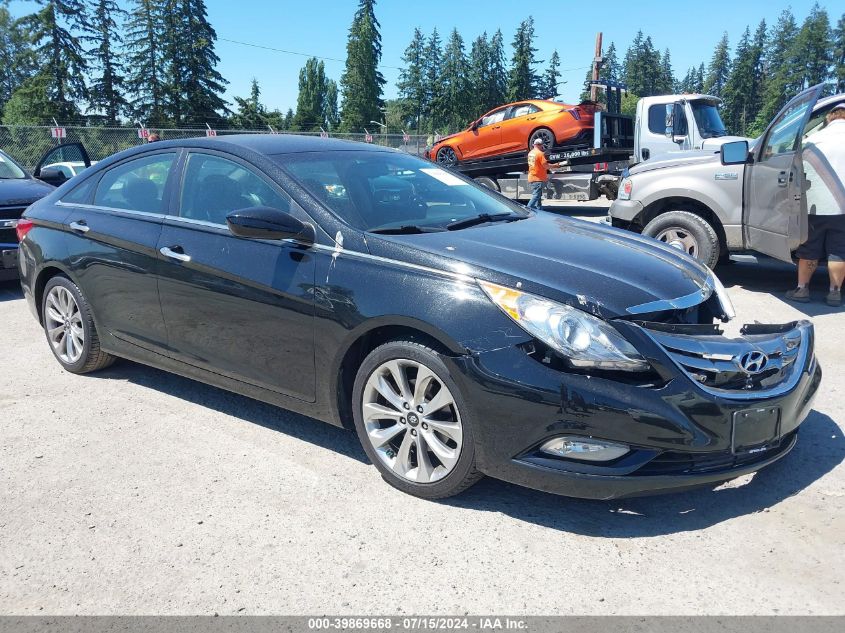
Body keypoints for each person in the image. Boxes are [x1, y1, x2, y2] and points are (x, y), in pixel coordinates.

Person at [786, 103, 845, 307]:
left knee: (809, 248)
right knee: (839, 251)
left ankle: (802, 289)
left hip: (814, 206)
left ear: (830, 118)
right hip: (843, 208)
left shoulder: (814, 140)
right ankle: (834, 293)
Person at [526, 137, 560, 210]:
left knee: (538, 195)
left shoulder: (530, 153)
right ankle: (528, 209)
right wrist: (555, 165)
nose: (542, 147)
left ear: (534, 145)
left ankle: (539, 210)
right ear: (539, 145)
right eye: (541, 145)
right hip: (538, 178)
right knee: (536, 195)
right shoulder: (540, 154)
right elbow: (546, 166)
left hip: (532, 177)